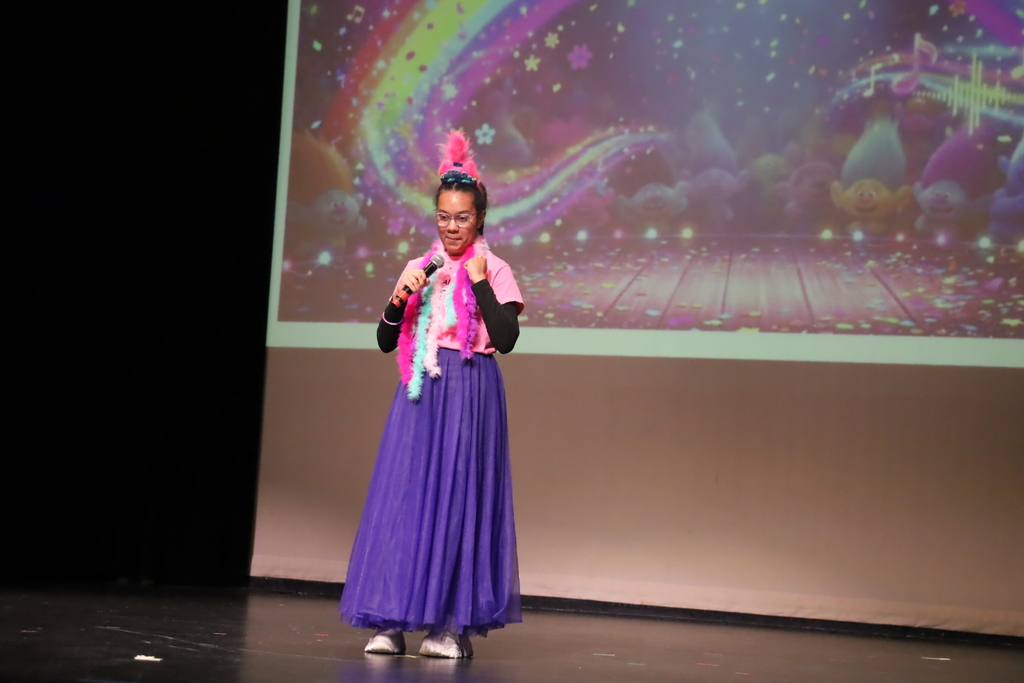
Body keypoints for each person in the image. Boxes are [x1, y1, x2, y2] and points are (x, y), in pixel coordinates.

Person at [339, 130, 524, 659]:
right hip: (420, 391)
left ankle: (448, 626)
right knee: (407, 498)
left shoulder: (497, 269)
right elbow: (383, 339)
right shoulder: (422, 268)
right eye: (443, 216)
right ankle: (391, 620)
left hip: (470, 387)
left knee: (460, 501)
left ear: (479, 219)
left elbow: (506, 340)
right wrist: (403, 296)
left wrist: (482, 282)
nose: (451, 227)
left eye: (462, 217)